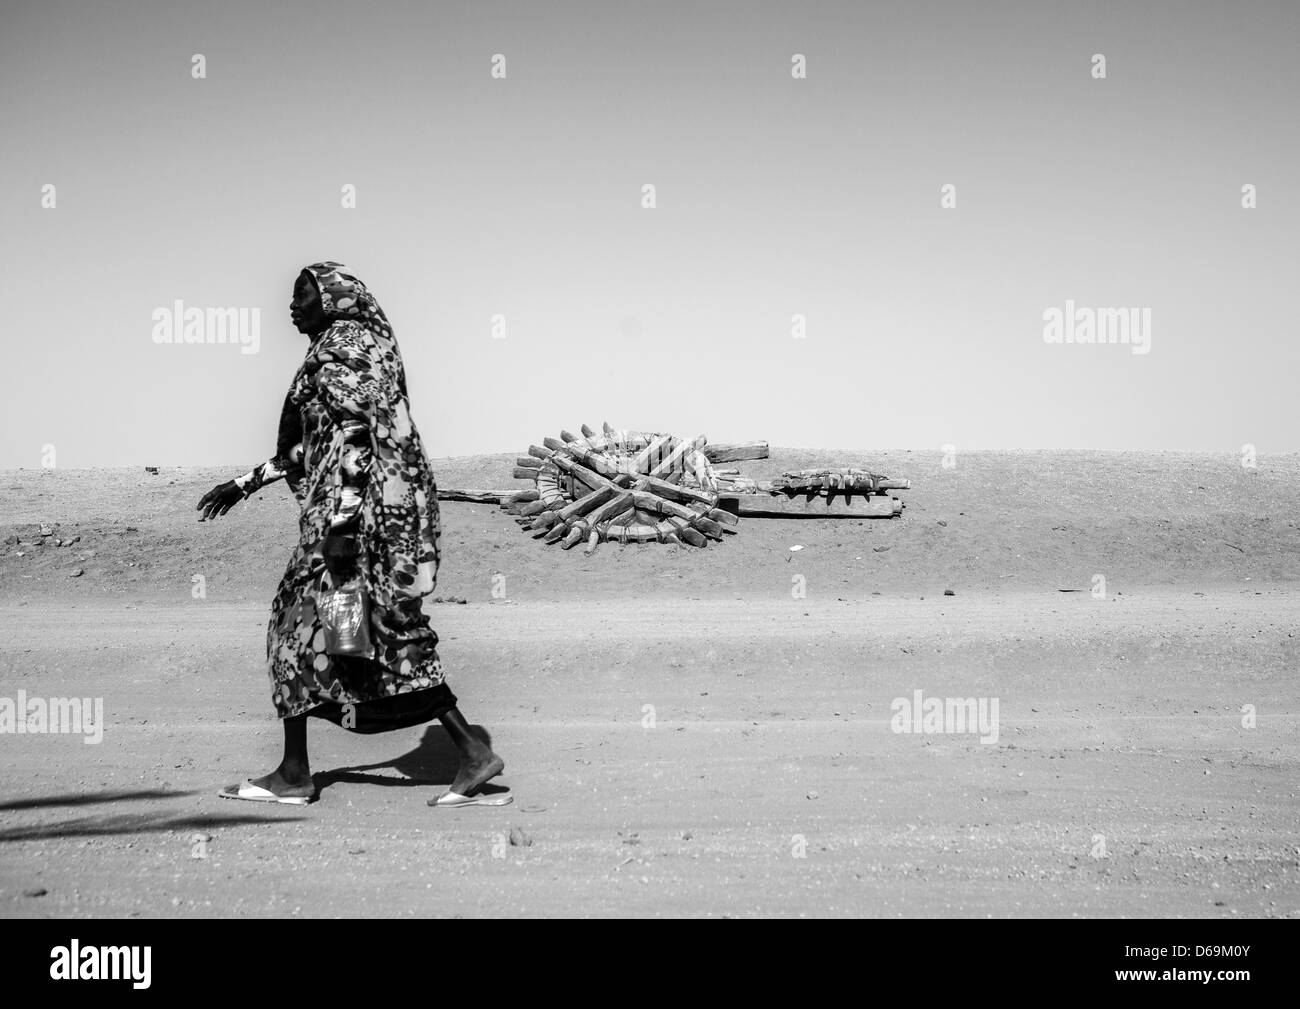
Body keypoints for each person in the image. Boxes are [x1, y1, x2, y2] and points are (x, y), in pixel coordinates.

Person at [197, 262, 506, 807]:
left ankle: (296, 775)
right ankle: (463, 753)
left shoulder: (344, 349)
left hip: (348, 530)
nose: (292, 307)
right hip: (357, 525)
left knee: (296, 631)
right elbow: (313, 445)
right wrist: (244, 484)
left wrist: (340, 528)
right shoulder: (348, 349)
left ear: (334, 299)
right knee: (365, 636)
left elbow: (360, 436)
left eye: (303, 296)